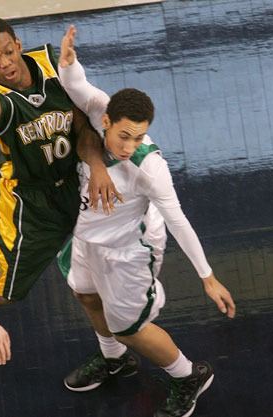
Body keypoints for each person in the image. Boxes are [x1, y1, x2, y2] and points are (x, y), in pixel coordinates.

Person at [56, 26, 236, 417]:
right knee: (85, 295)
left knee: (128, 326)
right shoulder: (99, 108)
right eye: (124, 136)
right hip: (88, 238)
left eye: (139, 138)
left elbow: (178, 220)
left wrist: (207, 276)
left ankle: (188, 375)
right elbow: (77, 86)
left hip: (127, 251)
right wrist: (67, 64)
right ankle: (114, 359)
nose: (129, 147)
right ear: (106, 121)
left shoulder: (150, 169)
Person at [0, 17, 128, 381]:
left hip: (77, 186)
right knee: (3, 293)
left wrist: (97, 167)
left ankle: (115, 356)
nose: (5, 64)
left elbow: (81, 126)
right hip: (31, 203)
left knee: (95, 284)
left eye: (8, 52)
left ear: (17, 42)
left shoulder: (51, 66)